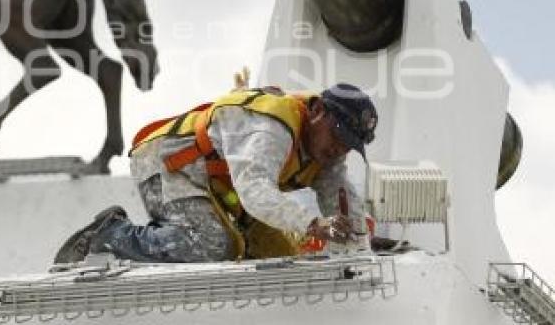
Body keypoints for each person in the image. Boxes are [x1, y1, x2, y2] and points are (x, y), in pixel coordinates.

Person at [54, 83, 377, 264]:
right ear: (317, 111)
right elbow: (255, 192)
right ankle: (110, 233)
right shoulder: (272, 131)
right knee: (212, 245)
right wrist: (313, 224)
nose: (339, 149)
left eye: (348, 144)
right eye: (337, 136)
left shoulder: (325, 153)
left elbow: (340, 195)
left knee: (279, 257)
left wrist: (359, 244)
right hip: (170, 162)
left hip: (220, 184)